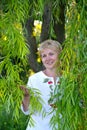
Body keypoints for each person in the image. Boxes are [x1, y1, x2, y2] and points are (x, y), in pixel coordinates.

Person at [20, 39, 62, 130]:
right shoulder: (34, 79)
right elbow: (27, 111)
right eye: (44, 56)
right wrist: (26, 96)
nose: (47, 59)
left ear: (59, 55)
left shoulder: (69, 79)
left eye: (51, 54)